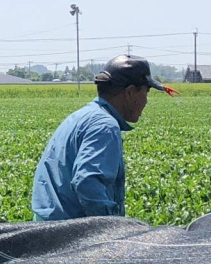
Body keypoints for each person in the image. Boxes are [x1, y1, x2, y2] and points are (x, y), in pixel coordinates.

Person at [31, 57, 176, 221]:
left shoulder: (82, 116)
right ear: (129, 92)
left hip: (47, 226)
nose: (146, 101)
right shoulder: (105, 126)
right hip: (68, 234)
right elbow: (88, 182)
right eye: (145, 93)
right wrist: (112, 228)